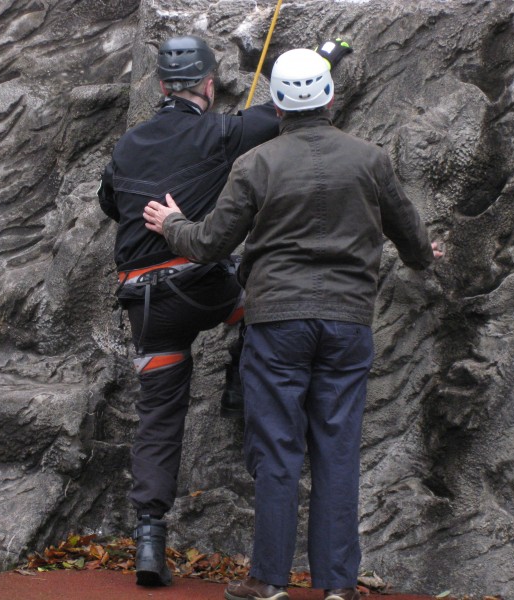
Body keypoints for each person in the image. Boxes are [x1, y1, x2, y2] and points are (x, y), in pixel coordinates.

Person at [143, 47, 442, 600]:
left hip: (277, 323)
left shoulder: (256, 164)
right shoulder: (371, 160)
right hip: (348, 323)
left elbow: (210, 245)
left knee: (278, 449)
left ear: (277, 105)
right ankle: (337, 586)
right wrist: (428, 256)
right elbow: (412, 237)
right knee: (338, 450)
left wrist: (174, 223)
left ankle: (269, 580)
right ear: (328, 95)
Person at [97, 35, 353, 588]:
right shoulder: (223, 131)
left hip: (145, 303)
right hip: (204, 287)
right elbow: (279, 110)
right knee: (260, 307)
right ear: (209, 85)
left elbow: (107, 202)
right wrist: (330, 52)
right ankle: (241, 383)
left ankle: (148, 537)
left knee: (159, 416)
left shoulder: (127, 146)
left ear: (162, 86)